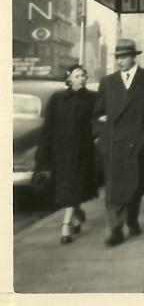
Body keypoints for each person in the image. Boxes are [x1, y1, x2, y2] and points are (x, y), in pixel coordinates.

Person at [93, 38, 144, 247]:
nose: (120, 62)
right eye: (117, 57)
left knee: (135, 187)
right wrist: (100, 137)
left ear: (134, 57)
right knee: (114, 190)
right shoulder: (107, 83)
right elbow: (97, 114)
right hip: (113, 144)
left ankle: (132, 220)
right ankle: (115, 230)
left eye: (124, 57)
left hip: (138, 144)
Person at [35, 64, 98, 244]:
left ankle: (65, 225)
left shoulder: (93, 98)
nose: (82, 78)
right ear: (69, 79)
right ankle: (77, 213)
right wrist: (44, 153)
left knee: (74, 185)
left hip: (82, 150)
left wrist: (96, 136)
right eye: (78, 76)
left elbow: (98, 120)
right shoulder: (58, 98)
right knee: (69, 186)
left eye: (84, 75)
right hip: (61, 151)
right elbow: (48, 127)